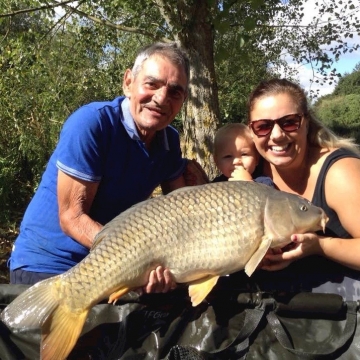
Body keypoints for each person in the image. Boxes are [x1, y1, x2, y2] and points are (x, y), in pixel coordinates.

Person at [8, 42, 202, 291]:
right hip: (49, 264)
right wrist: (137, 257)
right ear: (128, 82)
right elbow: (72, 218)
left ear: (183, 100)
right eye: (151, 84)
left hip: (112, 267)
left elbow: (185, 210)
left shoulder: (169, 141)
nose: (161, 98)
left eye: (175, 92)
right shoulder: (92, 124)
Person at [246, 78, 360, 300]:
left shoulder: (340, 173)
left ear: (306, 123)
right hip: (275, 306)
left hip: (341, 307)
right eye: (263, 126)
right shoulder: (249, 175)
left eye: (289, 122)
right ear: (251, 132)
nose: (277, 135)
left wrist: (319, 246)